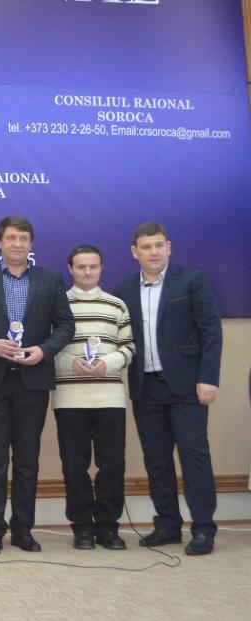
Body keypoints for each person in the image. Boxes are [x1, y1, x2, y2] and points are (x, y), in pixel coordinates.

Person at [0, 216, 74, 556]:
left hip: (33, 380)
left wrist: (44, 351)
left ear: (31, 244)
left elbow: (65, 326)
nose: (17, 244)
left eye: (24, 238)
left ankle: (23, 530)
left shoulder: (49, 280)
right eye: (11, 238)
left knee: (27, 460)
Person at [113, 222, 222, 556]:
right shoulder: (124, 289)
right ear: (135, 252)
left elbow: (211, 331)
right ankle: (168, 526)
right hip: (146, 388)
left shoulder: (191, 281)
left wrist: (209, 378)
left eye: (159, 245)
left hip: (187, 387)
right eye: (146, 247)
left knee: (194, 456)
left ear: (169, 247)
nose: (154, 252)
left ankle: (203, 529)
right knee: (157, 460)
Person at [53, 245, 134, 550]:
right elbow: (49, 347)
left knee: (112, 465)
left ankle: (108, 527)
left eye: (93, 266)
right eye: (81, 267)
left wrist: (108, 363)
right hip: (69, 400)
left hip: (109, 399)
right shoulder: (58, 304)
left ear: (102, 268)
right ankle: (82, 528)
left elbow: (129, 347)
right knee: (74, 467)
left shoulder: (116, 305)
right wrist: (70, 363)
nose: (87, 272)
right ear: (70, 269)